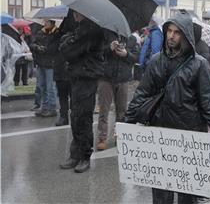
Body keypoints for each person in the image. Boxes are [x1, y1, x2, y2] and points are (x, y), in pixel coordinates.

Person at [123, 12, 210, 204]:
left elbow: (209, 102)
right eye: (169, 31)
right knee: (161, 194)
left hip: (190, 137)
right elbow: (142, 94)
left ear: (186, 36)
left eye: (176, 32)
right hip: (161, 135)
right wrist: (126, 125)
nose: (171, 36)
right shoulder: (157, 60)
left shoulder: (199, 64)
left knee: (188, 195)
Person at [59, 11, 104, 173]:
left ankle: (84, 156)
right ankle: (75, 154)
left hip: (87, 78)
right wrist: (69, 40)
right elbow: (63, 44)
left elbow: (68, 52)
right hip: (77, 77)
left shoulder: (92, 31)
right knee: (75, 116)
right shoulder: (80, 29)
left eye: (78, 12)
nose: (74, 14)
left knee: (83, 117)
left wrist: (69, 41)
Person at [96, 30, 140, 151]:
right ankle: (102, 138)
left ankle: (119, 136)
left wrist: (126, 54)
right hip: (105, 78)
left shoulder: (131, 39)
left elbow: (136, 58)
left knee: (122, 111)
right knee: (103, 109)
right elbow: (97, 53)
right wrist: (109, 48)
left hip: (123, 79)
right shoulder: (105, 35)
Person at [30, 20, 58, 117]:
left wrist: (43, 47)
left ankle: (52, 108)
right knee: (42, 86)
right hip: (41, 63)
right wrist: (37, 47)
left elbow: (53, 49)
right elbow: (32, 44)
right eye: (45, 21)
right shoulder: (41, 32)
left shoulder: (56, 33)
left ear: (52, 23)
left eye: (47, 22)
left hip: (50, 64)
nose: (45, 23)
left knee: (50, 87)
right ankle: (45, 107)